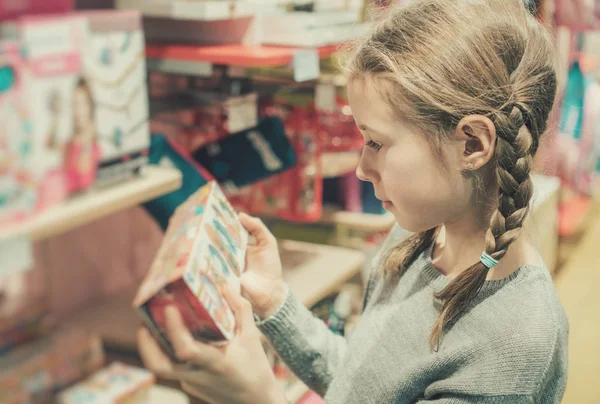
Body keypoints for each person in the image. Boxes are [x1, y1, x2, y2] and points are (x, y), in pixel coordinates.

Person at [137, 0, 568, 403]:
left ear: (471, 143)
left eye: (377, 142)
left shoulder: (514, 342)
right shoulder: (417, 238)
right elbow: (360, 382)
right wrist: (275, 302)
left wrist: (258, 397)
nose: (361, 168)